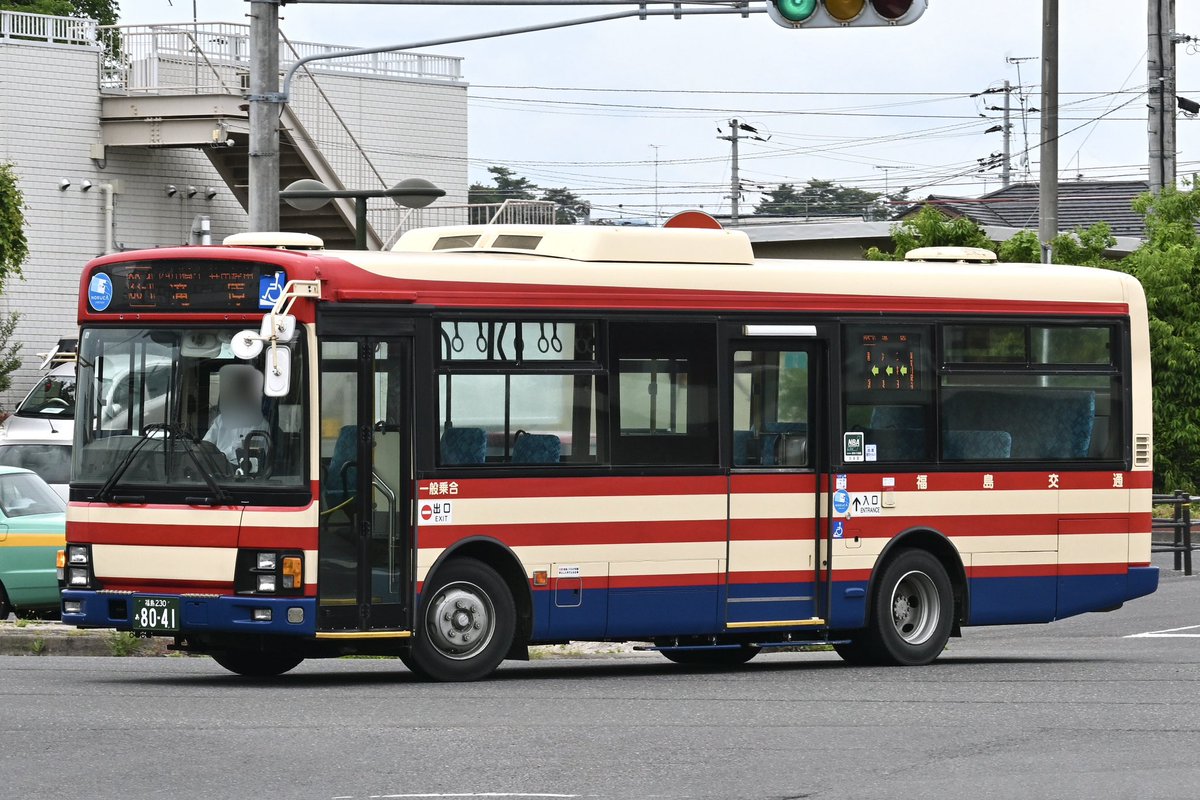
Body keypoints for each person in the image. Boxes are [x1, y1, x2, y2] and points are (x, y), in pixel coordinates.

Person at [203, 364, 269, 467]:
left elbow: (249, 454)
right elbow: (206, 445)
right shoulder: (221, 420)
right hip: (219, 469)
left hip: (245, 471)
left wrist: (221, 456)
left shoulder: (260, 423)